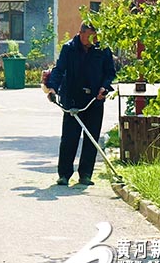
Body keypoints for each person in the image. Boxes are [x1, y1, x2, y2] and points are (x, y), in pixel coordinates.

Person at [45, 22, 115, 187]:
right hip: (72, 99)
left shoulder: (102, 49)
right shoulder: (69, 48)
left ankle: (85, 174)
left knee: (91, 138)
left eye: (96, 36)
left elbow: (110, 72)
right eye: (91, 36)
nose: (94, 40)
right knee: (69, 138)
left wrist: (104, 88)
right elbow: (59, 70)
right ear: (81, 34)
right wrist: (53, 89)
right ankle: (64, 174)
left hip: (94, 99)